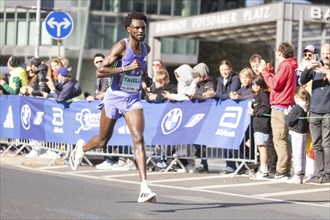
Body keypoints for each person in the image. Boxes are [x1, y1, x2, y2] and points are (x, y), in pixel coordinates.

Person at [69, 12, 156, 203]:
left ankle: (144, 188)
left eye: (143, 27)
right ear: (129, 29)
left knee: (139, 139)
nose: (141, 30)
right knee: (102, 141)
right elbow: (101, 71)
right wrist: (124, 68)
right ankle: (81, 148)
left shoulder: (146, 49)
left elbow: (140, 69)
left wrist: (146, 78)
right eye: (137, 27)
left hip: (132, 100)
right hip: (114, 99)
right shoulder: (121, 46)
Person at [258, 42, 298, 180]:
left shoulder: (285, 65)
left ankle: (282, 170)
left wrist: (264, 72)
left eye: (276, 52)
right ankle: (284, 169)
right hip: (285, 105)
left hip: (280, 105)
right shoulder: (289, 65)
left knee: (279, 139)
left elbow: (275, 84)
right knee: (283, 139)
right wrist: (269, 73)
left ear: (280, 53)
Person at [300, 43, 330, 184]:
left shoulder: (324, 69)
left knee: (327, 144)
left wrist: (326, 72)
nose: (326, 56)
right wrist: (308, 68)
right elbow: (302, 80)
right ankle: (320, 172)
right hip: (314, 111)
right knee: (317, 144)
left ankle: (328, 173)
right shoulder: (316, 68)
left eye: (328, 53)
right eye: (323, 54)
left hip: (327, 113)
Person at [249, 54, 277, 177]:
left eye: (256, 65)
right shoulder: (258, 77)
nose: (255, 68)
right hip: (260, 117)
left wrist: (265, 69)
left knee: (269, 143)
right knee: (263, 144)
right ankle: (263, 166)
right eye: (252, 66)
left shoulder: (268, 72)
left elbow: (272, 88)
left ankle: (272, 167)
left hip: (270, 112)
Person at [212, 59, 241, 174]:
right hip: (222, 112)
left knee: (233, 139)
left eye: (226, 69)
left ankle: (241, 165)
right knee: (224, 138)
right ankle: (229, 165)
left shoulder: (235, 79)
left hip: (234, 112)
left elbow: (230, 94)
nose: (224, 72)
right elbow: (220, 94)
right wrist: (216, 95)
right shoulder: (219, 80)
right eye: (222, 70)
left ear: (230, 69)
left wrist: (216, 95)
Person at [284, 86, 310, 184]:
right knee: (302, 153)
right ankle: (302, 173)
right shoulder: (305, 106)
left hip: (296, 131)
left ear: (296, 96)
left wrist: (287, 114)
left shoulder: (297, 107)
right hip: (302, 131)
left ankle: (297, 175)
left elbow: (289, 121)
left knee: (297, 153)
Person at [249, 75, 271, 179]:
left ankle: (264, 170)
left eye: (257, 84)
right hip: (258, 125)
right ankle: (263, 169)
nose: (255, 86)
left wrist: (254, 112)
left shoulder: (263, 94)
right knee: (260, 147)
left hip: (262, 125)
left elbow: (266, 109)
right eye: (253, 84)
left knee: (262, 148)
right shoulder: (256, 95)